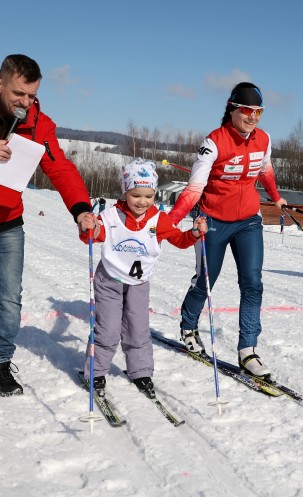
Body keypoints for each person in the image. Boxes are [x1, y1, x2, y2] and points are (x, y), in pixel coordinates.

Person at [167, 82, 287, 378]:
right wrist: (169, 222)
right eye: (247, 111)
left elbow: (265, 170)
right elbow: (194, 189)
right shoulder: (214, 142)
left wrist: (275, 197)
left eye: (259, 112)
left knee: (252, 282)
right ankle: (188, 326)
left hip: (248, 220)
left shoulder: (264, 139)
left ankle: (248, 349)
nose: (253, 117)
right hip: (213, 220)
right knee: (206, 280)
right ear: (233, 109)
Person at [0, 54, 92, 397]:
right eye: (18, 94)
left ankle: (0, 364)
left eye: (32, 96)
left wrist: (81, 210)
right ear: (1, 84)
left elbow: (61, 169)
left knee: (9, 300)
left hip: (7, 222)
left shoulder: (39, 125)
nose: (25, 103)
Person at [79, 159, 207, 397]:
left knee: (137, 328)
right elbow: (94, 235)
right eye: (136, 195)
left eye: (149, 196)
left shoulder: (158, 219)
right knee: (108, 328)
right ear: (126, 191)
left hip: (139, 284)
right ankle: (95, 372)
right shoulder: (111, 216)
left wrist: (194, 233)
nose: (142, 201)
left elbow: (178, 240)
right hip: (110, 280)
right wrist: (90, 227)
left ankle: (140, 371)